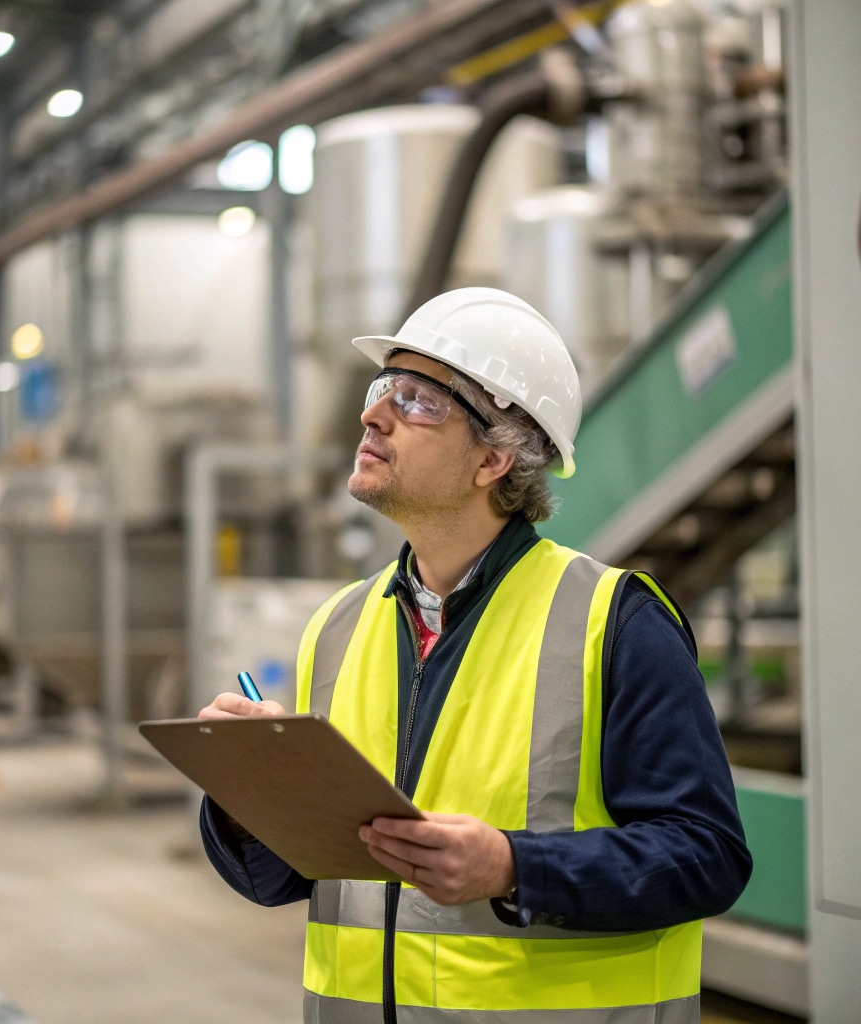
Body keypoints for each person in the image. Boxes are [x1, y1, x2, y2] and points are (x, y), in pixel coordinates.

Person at [199, 287, 752, 1023]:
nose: (374, 414)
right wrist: (247, 800)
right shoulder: (338, 625)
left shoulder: (614, 621)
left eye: (419, 399)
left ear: (494, 458)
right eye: (381, 388)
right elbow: (287, 878)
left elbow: (706, 855)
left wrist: (515, 868)